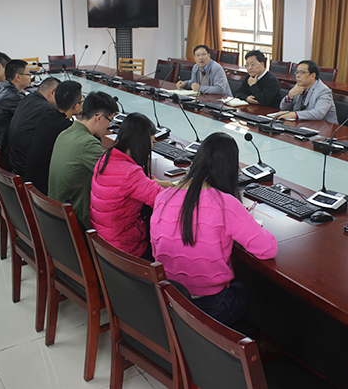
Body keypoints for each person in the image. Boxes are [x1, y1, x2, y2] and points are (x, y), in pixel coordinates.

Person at [150, 132, 277, 326]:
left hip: (170, 299)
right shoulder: (226, 204)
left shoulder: (163, 196)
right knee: (250, 290)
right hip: (211, 307)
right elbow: (268, 250)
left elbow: (156, 249)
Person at [91, 113, 173, 260]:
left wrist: (155, 182)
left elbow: (132, 182)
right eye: (151, 142)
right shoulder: (131, 173)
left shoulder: (107, 157)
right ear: (141, 143)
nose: (152, 147)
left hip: (103, 242)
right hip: (125, 250)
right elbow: (165, 202)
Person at [48, 91, 118, 229]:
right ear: (99, 117)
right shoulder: (88, 143)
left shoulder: (65, 133)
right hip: (74, 222)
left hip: (55, 214)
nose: (108, 127)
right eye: (110, 121)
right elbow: (118, 175)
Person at [25, 81, 83, 195]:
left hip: (32, 186)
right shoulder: (67, 129)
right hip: (45, 193)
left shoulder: (47, 116)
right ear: (76, 106)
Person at [0, 59, 31, 170]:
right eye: (28, 73)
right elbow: (33, 117)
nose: (30, 77)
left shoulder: (0, 86)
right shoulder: (14, 97)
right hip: (3, 152)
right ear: (18, 77)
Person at [8, 77, 58, 176]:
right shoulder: (47, 109)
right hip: (28, 171)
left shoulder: (27, 99)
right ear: (52, 92)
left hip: (15, 163)